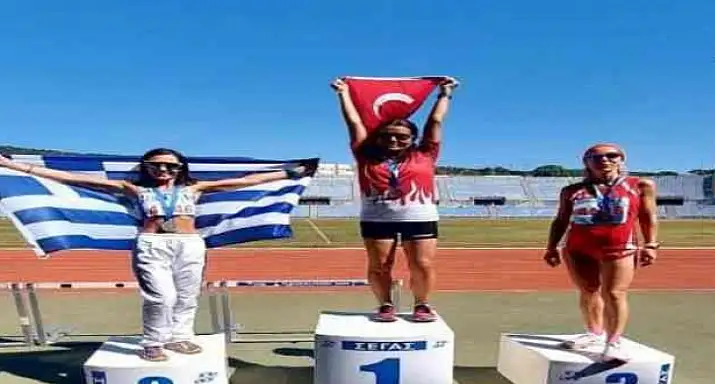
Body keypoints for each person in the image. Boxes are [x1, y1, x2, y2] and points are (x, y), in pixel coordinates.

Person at [0, 148, 313, 361]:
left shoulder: (195, 189)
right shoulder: (134, 189)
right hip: (152, 244)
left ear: (180, 169)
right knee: (161, 297)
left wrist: (291, 173)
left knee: (187, 296)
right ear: (147, 168)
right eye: (156, 165)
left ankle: (180, 336)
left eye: (170, 166)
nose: (164, 169)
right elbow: (74, 179)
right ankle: (153, 342)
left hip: (190, 244)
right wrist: (13, 166)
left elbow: (245, 181)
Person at [330, 76, 458, 323]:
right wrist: (343, 93)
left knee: (422, 264)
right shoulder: (365, 154)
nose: (393, 140)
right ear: (378, 137)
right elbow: (354, 122)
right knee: (379, 265)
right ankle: (385, 304)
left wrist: (445, 94)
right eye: (387, 135)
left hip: (419, 216)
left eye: (402, 137)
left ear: (413, 139)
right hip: (377, 217)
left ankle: (422, 304)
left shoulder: (426, 153)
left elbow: (435, 120)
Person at [543, 143, 659, 361]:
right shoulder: (571, 190)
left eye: (611, 155)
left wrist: (651, 244)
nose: (604, 160)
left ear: (621, 159)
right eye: (596, 157)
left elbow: (648, 216)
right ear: (586, 163)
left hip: (619, 248)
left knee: (614, 293)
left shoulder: (640, 185)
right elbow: (561, 220)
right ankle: (594, 333)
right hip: (578, 248)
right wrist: (551, 247)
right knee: (588, 291)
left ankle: (613, 342)